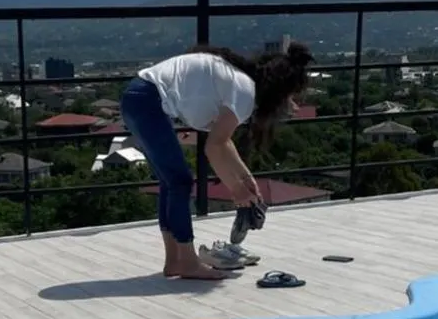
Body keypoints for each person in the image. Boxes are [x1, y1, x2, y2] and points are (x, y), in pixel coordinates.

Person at [120, 42, 312, 280]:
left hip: (138, 97)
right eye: (290, 97)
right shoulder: (244, 93)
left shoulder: (238, 83)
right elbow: (214, 147)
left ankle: (175, 262)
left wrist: (245, 177)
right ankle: (188, 263)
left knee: (171, 182)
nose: (292, 105)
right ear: (278, 92)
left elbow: (223, 141)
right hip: (147, 102)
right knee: (180, 182)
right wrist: (237, 190)